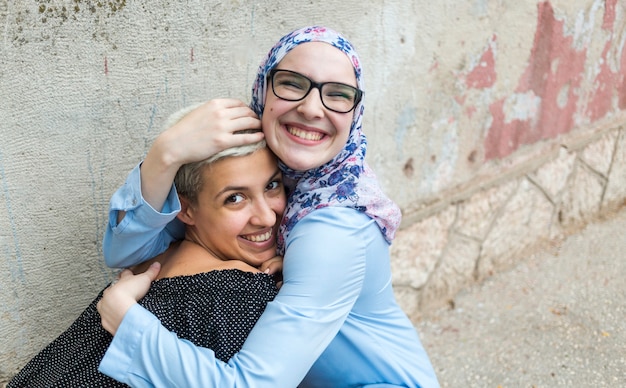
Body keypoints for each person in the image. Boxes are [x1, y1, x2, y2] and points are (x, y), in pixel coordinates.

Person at [98, 26, 440, 387]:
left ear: (354, 113)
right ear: (264, 88)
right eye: (293, 83)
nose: (311, 109)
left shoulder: (332, 228)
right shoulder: (273, 169)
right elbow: (129, 249)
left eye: (338, 95)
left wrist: (129, 325)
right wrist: (165, 155)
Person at [7, 105, 285, 388]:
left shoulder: (153, 259)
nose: (266, 217)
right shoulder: (239, 291)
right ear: (185, 210)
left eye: (272, 185)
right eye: (234, 198)